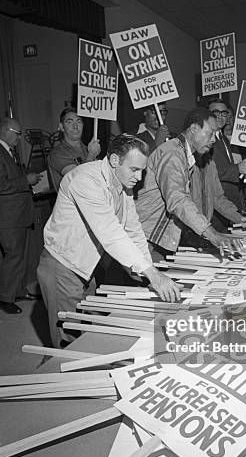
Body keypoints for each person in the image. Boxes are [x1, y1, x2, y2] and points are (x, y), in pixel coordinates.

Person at [37, 134, 180, 347]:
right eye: (134, 169)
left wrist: (149, 269)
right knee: (68, 342)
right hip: (63, 266)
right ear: (114, 160)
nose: (139, 177)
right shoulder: (85, 180)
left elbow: (133, 230)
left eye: (142, 170)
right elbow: (111, 233)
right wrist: (153, 275)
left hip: (87, 264)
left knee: (88, 330)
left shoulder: (123, 183)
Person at [135, 108, 246, 260]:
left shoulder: (187, 154)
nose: (214, 139)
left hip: (159, 237)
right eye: (210, 133)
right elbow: (177, 199)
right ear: (194, 129)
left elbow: (214, 196)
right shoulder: (172, 154)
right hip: (146, 238)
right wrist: (212, 234)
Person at [0, 117, 41, 314]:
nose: (18, 138)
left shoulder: (9, 152)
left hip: (19, 215)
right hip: (8, 218)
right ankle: (6, 298)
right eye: (16, 133)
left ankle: (18, 291)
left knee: (20, 257)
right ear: (5, 131)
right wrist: (26, 180)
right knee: (13, 257)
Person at [208, 98, 246, 211]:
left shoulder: (223, 138)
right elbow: (208, 172)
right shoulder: (205, 138)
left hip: (230, 199)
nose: (220, 116)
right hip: (215, 202)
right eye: (215, 112)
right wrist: (237, 168)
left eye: (224, 113)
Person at [47, 107, 101, 191]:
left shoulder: (88, 149)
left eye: (79, 121)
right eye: (69, 122)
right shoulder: (57, 153)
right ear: (61, 127)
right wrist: (91, 156)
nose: (75, 126)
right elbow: (77, 181)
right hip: (72, 202)